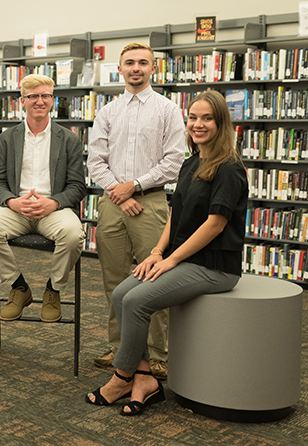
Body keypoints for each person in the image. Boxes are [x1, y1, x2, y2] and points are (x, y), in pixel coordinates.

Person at [86, 90, 247, 416]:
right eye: (193, 118)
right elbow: (176, 214)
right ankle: (144, 377)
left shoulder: (229, 168)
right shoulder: (190, 163)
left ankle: (122, 377)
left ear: (221, 123)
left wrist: (172, 259)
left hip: (214, 266)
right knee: (121, 294)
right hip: (182, 257)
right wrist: (158, 251)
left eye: (207, 119)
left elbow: (215, 225)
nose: (197, 125)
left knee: (136, 300)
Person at [87, 42, 186, 379]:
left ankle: (158, 354)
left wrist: (137, 186)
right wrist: (120, 192)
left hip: (151, 201)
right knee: (114, 280)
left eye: (143, 62)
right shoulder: (107, 111)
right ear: (120, 69)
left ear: (153, 68)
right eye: (129, 63)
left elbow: (175, 161)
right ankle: (120, 347)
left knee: (153, 280)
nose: (136, 68)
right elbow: (95, 162)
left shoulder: (167, 109)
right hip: (113, 203)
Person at [0, 74, 86, 323]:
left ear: (52, 100)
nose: (40, 101)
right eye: (33, 96)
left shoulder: (68, 139)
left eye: (45, 95)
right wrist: (12, 202)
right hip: (16, 208)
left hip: (54, 209)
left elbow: (78, 186)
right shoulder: (7, 139)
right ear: (22, 100)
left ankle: (53, 290)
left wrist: (54, 202)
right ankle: (19, 287)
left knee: (73, 235)